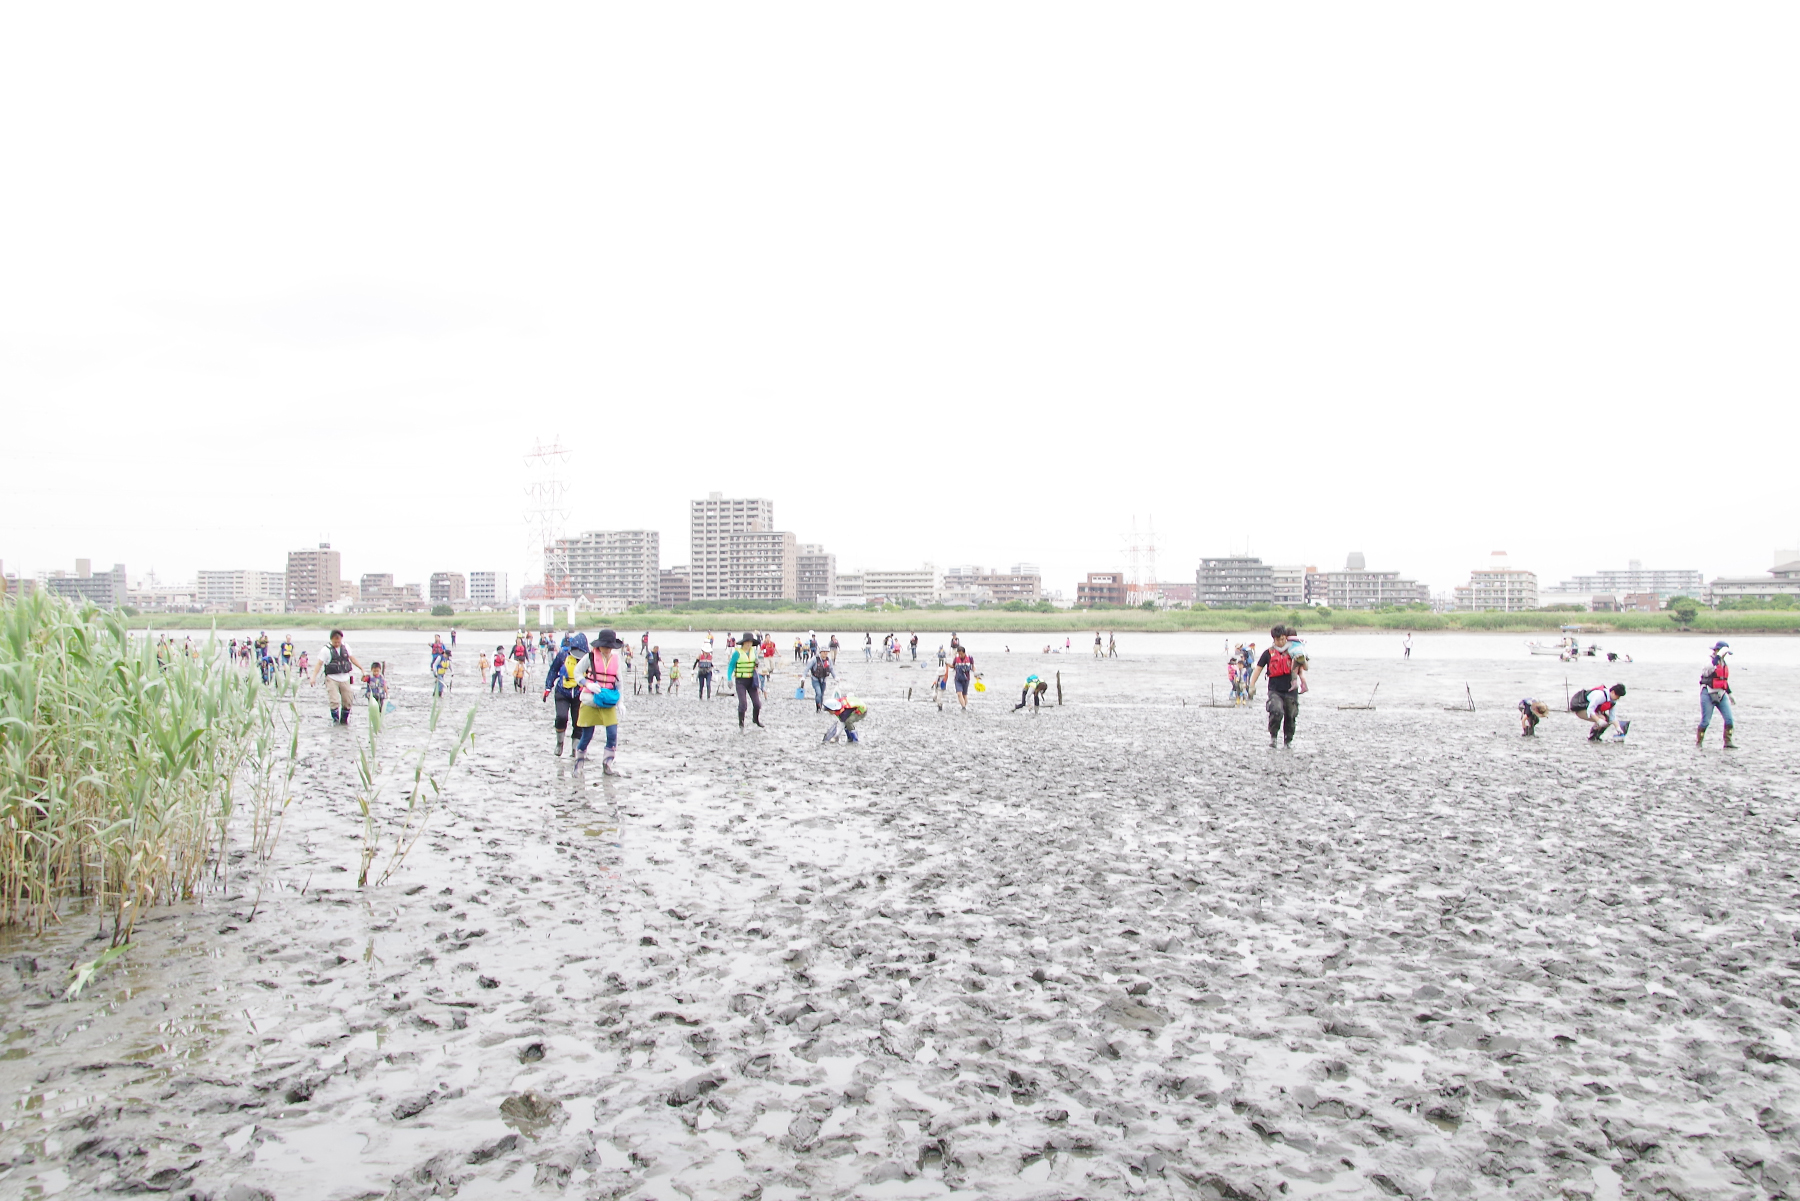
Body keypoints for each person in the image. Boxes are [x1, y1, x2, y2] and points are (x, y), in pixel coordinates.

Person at [574, 628, 627, 773]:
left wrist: (620, 702)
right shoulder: (590, 657)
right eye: (605, 646)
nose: (607, 649)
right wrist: (587, 684)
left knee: (612, 733)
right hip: (590, 700)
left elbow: (619, 682)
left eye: (610, 647)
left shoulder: (616, 659)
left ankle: (607, 763)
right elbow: (577, 673)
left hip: (608, 701)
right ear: (599, 645)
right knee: (587, 735)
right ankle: (579, 763)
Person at [1248, 625, 1300, 748]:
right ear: (1274, 639)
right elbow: (1258, 669)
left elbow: (1304, 667)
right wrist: (1252, 685)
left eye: (1282, 639)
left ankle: (1288, 741)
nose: (1281, 642)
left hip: (1291, 690)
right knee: (1276, 711)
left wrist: (1302, 659)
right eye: (1278, 640)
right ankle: (1273, 737)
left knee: (1290, 715)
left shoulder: (1294, 651)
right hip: (1275, 690)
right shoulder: (1268, 653)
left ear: (1286, 638)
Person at [542, 633, 587, 756]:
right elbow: (553, 670)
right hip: (562, 691)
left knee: (578, 722)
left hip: (579, 693)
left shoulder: (588, 659)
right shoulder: (563, 655)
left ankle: (574, 750)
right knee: (561, 717)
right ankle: (559, 742)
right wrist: (548, 687)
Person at [308, 629, 365, 726]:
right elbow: (319, 664)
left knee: (348, 701)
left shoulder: (346, 647)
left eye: (338, 641)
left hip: (345, 678)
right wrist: (313, 677)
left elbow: (352, 658)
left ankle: (344, 721)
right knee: (334, 701)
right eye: (335, 641)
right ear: (331, 640)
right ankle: (335, 720)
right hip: (332, 678)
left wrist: (362, 669)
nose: (337, 643)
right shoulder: (325, 650)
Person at [1697, 641, 1735, 748]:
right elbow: (1708, 670)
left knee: (1729, 719)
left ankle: (1728, 742)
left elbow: (1723, 680)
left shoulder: (1723, 663)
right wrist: (1717, 656)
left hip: (1721, 693)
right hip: (1708, 692)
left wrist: (1730, 694)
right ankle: (1699, 742)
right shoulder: (1709, 661)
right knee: (1706, 721)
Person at [728, 631, 764, 729]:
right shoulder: (737, 653)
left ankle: (755, 719)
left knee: (757, 704)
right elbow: (731, 666)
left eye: (750, 642)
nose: (749, 644)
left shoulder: (754, 652)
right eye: (747, 642)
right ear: (743, 643)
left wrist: (757, 663)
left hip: (751, 680)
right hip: (740, 681)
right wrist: (729, 678)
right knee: (743, 704)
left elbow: (755, 665)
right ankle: (741, 723)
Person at [951, 647, 975, 711]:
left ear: (964, 653)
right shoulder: (956, 659)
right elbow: (953, 666)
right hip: (958, 679)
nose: (960, 655)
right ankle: (963, 707)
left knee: (964, 694)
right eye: (959, 654)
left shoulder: (970, 658)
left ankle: (964, 706)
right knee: (959, 693)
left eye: (961, 654)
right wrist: (947, 665)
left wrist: (975, 673)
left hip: (966, 679)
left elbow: (973, 667)